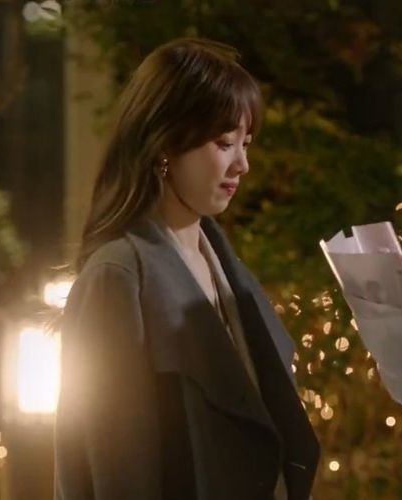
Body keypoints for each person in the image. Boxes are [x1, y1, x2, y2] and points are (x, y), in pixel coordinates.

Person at [54, 38, 319, 500]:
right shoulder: (119, 276)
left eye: (245, 144)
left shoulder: (224, 265)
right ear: (166, 144)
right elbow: (118, 470)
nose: (242, 164)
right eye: (224, 143)